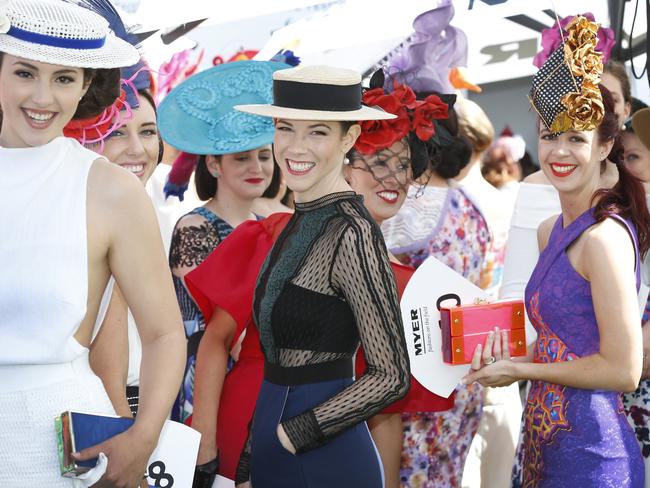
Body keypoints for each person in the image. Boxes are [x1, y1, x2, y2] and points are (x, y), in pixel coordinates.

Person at [0, 1, 186, 487]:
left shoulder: (110, 191)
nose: (43, 97)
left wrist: (142, 440)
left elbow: (166, 334)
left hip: (60, 449)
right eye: (25, 72)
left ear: (86, 85)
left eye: (64, 78)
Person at [467, 16, 647, 486]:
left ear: (606, 145)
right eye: (549, 135)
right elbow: (558, 337)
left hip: (595, 457)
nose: (559, 152)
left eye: (576, 139)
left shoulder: (605, 238)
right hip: (544, 443)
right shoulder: (550, 229)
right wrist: (492, 350)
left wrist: (520, 370)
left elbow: (624, 370)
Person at [233, 64, 410, 487]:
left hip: (324, 455)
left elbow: (392, 376)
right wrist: (252, 460)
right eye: (285, 127)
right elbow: (275, 360)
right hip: (278, 448)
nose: (296, 147)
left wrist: (291, 436)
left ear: (348, 138)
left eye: (317, 132)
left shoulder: (351, 231)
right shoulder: (300, 218)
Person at [342, 76, 459, 488]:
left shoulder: (401, 274)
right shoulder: (294, 238)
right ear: (344, 165)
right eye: (378, 161)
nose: (393, 177)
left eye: (402, 163)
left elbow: (385, 411)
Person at [158, 60, 289, 426]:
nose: (257, 168)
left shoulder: (268, 224)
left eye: (264, 156)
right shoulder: (195, 227)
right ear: (214, 166)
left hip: (259, 370)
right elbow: (214, 314)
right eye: (242, 158)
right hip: (205, 377)